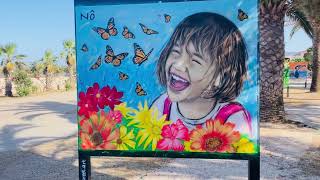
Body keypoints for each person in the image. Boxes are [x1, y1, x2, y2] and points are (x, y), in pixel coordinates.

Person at [151, 12, 252, 136]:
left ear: (221, 76)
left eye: (195, 60)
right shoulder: (162, 106)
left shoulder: (232, 118)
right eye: (176, 51)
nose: (178, 65)